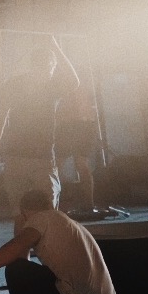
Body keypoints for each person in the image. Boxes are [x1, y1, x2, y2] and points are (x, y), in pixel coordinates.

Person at [0, 36, 80, 209]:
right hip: (28, 157)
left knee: (33, 211)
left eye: (47, 70)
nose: (45, 73)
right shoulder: (39, 85)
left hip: (33, 157)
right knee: (31, 212)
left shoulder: (27, 85)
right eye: (45, 69)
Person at [55, 78, 102, 213]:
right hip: (76, 126)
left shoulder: (75, 86)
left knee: (78, 165)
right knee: (65, 165)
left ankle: (86, 204)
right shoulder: (70, 86)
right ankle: (76, 202)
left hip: (79, 126)